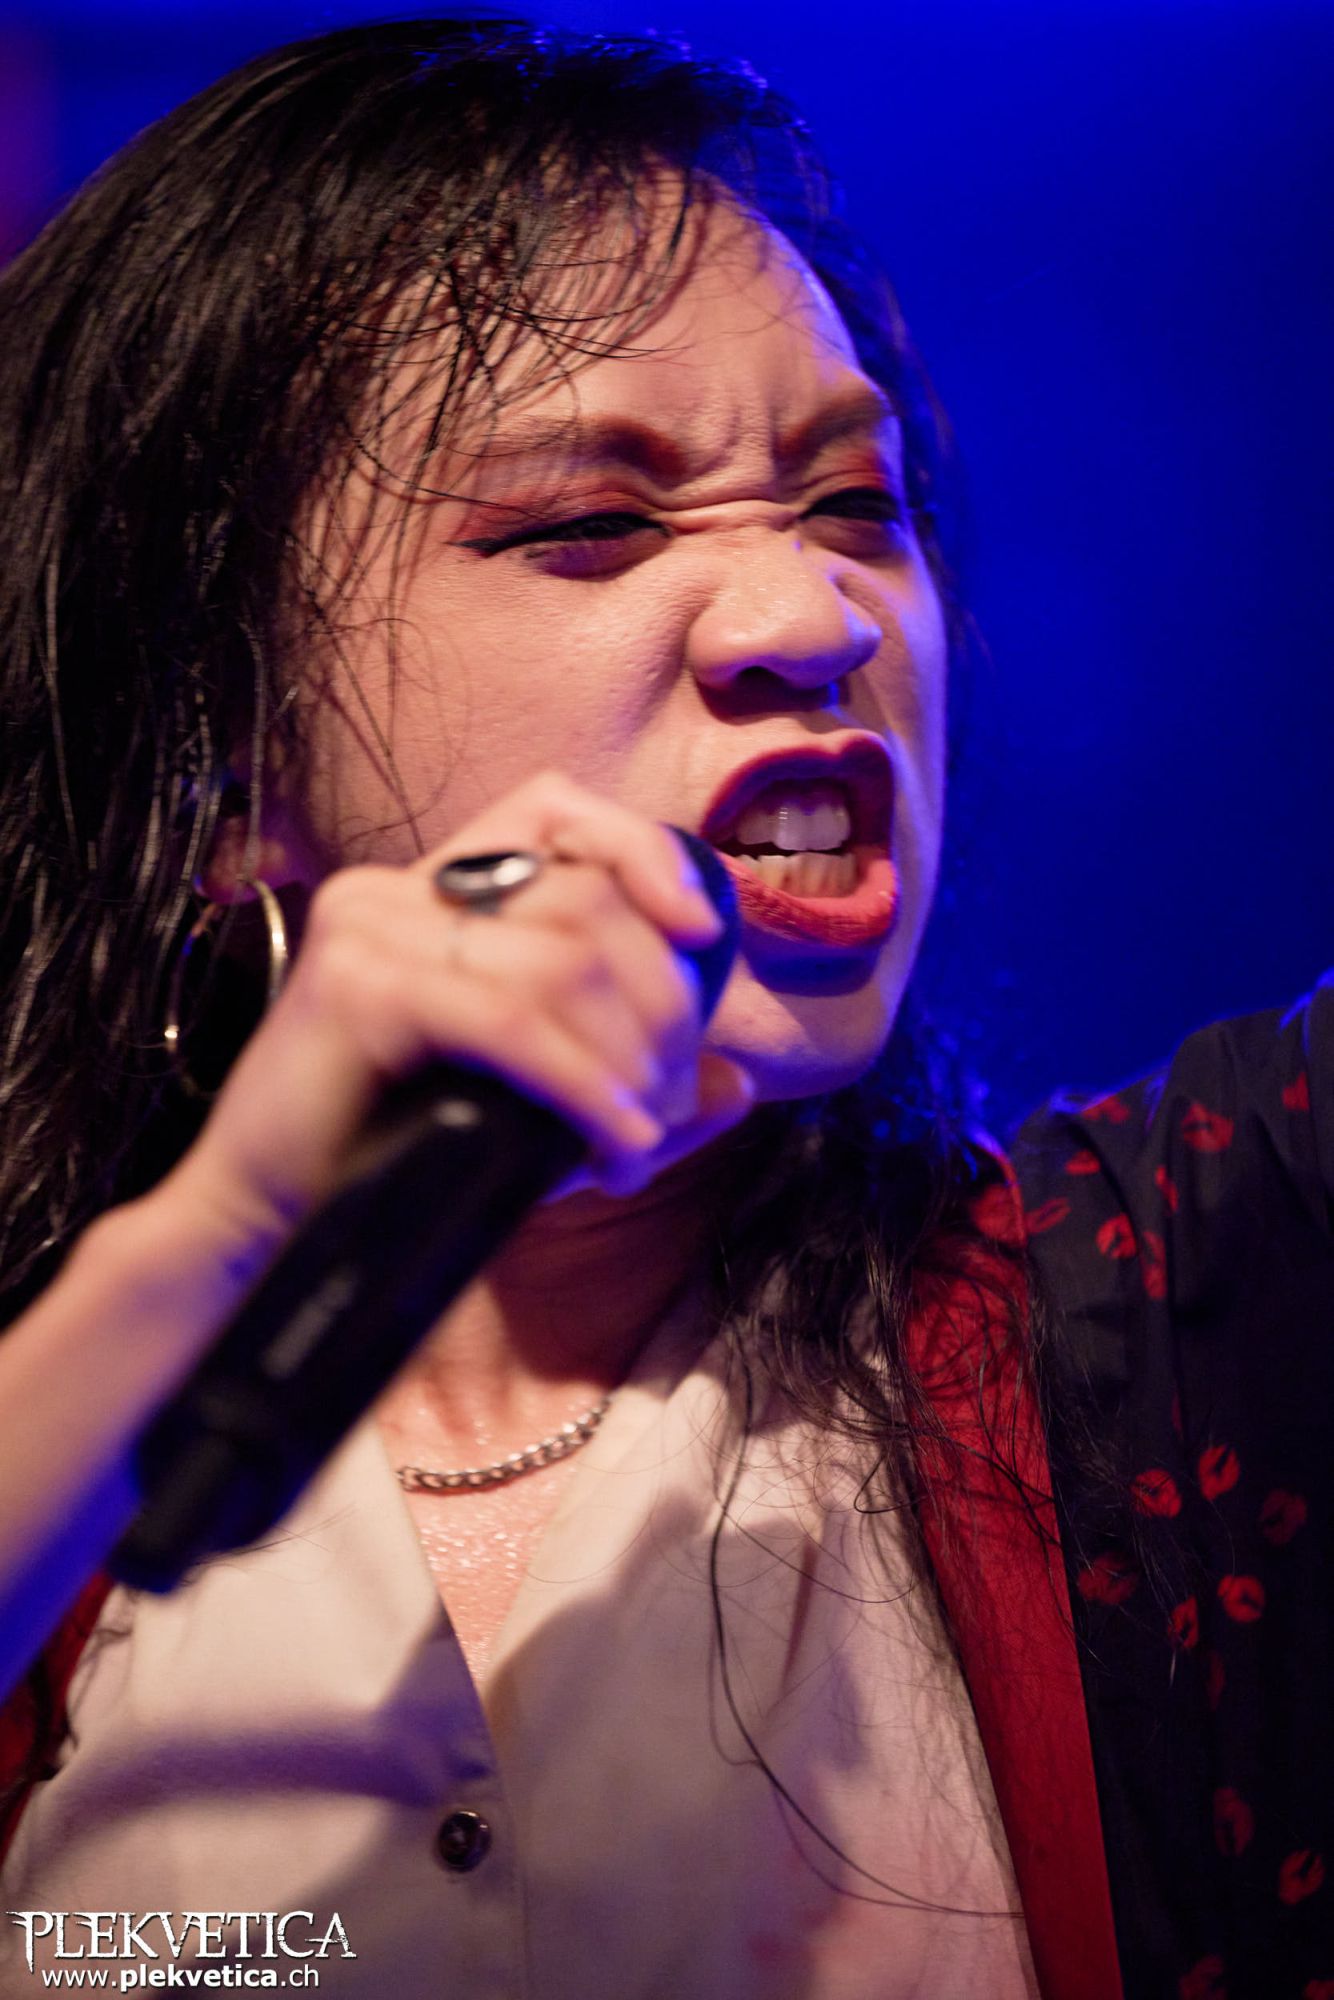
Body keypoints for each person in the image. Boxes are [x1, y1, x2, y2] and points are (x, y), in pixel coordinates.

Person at [0, 18, 1327, 2000]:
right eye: (589, 527)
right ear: (225, 771)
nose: (812, 619)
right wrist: (222, 1237)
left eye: (853, 502)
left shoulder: (1194, 1295)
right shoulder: (70, 1430)